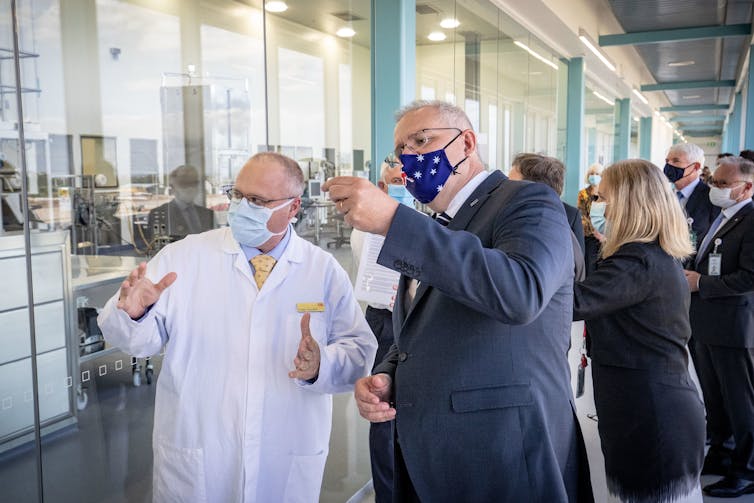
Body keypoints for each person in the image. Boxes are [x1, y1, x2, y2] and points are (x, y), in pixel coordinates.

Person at [324, 100, 591, 502]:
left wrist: (394, 220)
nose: (409, 158)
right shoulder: (437, 225)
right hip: (431, 450)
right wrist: (388, 374)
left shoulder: (529, 203)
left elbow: (520, 293)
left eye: (422, 140)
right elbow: (424, 323)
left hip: (501, 452)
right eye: (401, 151)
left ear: (466, 142)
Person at [98, 152, 377, 502]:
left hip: (286, 447)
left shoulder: (321, 269)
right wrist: (135, 314)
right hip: (199, 447)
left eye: (258, 201)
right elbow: (137, 342)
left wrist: (321, 364)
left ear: (292, 209)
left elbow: (359, 349)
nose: (242, 207)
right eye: (238, 195)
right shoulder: (183, 258)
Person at [573, 159, 705, 503]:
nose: (596, 207)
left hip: (652, 417)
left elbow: (571, 302)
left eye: (603, 198)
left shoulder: (636, 263)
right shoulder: (650, 256)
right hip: (650, 408)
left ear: (628, 204)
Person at [683, 156, 754, 498]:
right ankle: (722, 455)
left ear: (747, 188)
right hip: (707, 324)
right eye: (715, 183)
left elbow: (750, 278)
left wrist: (702, 284)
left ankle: (746, 469)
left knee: (742, 402)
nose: (716, 190)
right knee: (717, 398)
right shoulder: (723, 217)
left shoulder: (751, 219)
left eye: (725, 185)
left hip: (734, 327)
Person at [349, 153, 411, 503]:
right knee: (383, 410)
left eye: (407, 183)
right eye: (396, 184)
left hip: (414, 319)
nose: (403, 190)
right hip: (385, 320)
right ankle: (388, 494)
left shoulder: (420, 222)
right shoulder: (368, 229)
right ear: (383, 187)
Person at [508, 153, 585, 280]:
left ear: (535, 190)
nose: (504, 189)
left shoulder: (542, 236)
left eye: (511, 185)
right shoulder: (547, 228)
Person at [664, 143, 720, 257]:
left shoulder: (712, 199)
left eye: (675, 161)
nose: (669, 165)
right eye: (667, 161)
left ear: (695, 167)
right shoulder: (663, 196)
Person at [147, 164, 215, 242]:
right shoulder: (160, 214)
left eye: (193, 183)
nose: (190, 188)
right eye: (183, 183)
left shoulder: (208, 214)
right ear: (173, 188)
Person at [577, 162, 604, 274]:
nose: (594, 176)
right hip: (589, 236)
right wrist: (595, 231)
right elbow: (582, 215)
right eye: (591, 173)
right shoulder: (583, 194)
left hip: (605, 235)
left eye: (597, 173)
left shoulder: (606, 193)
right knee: (590, 265)